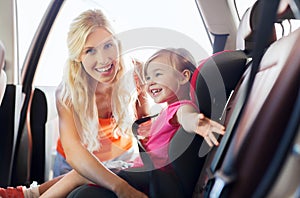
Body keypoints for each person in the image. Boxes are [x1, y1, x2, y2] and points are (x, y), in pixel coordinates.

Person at [40, 48, 225, 198]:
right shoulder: (165, 111)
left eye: (158, 74)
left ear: (184, 76)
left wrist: (197, 122)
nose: (150, 82)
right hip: (143, 171)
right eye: (148, 78)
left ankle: (30, 194)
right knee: (84, 177)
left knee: (82, 174)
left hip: (152, 177)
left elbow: (186, 115)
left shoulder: (180, 108)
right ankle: (30, 193)